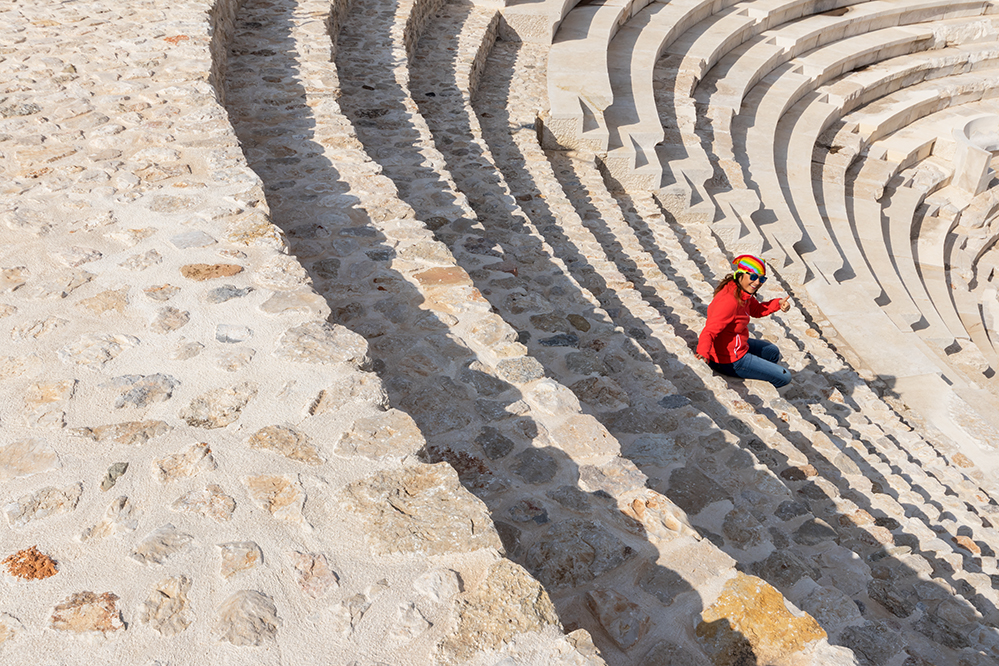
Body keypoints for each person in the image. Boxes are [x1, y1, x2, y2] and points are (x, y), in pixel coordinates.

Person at [695, 254, 792, 388]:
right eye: (752, 276)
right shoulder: (730, 302)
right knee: (785, 376)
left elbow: (756, 310)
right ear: (740, 274)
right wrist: (702, 354)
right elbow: (710, 330)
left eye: (761, 279)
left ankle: (763, 371)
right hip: (729, 359)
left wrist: (778, 303)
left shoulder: (742, 292)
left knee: (772, 351)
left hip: (735, 344)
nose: (757, 282)